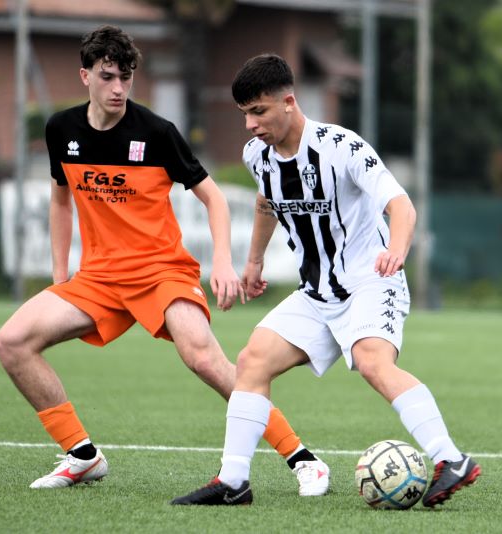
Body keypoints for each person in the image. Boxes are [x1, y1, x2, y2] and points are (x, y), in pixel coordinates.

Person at [0, 28, 329, 496]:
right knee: (11, 342)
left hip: (161, 273)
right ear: (85, 76)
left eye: (126, 77)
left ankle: (302, 458)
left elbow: (213, 198)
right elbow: (60, 200)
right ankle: (82, 455)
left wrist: (222, 263)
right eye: (107, 77)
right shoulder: (61, 130)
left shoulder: (155, 132)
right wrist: (58, 275)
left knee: (204, 359)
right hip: (99, 279)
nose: (118, 88)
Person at [172, 54, 480, 507]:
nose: (250, 125)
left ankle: (450, 459)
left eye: (258, 111)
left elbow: (401, 205)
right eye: (244, 114)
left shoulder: (342, 147)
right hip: (318, 294)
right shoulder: (257, 154)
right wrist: (254, 261)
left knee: (372, 361)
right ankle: (234, 482)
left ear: (289, 102)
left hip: (372, 280)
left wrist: (396, 249)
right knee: (252, 361)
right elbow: (266, 201)